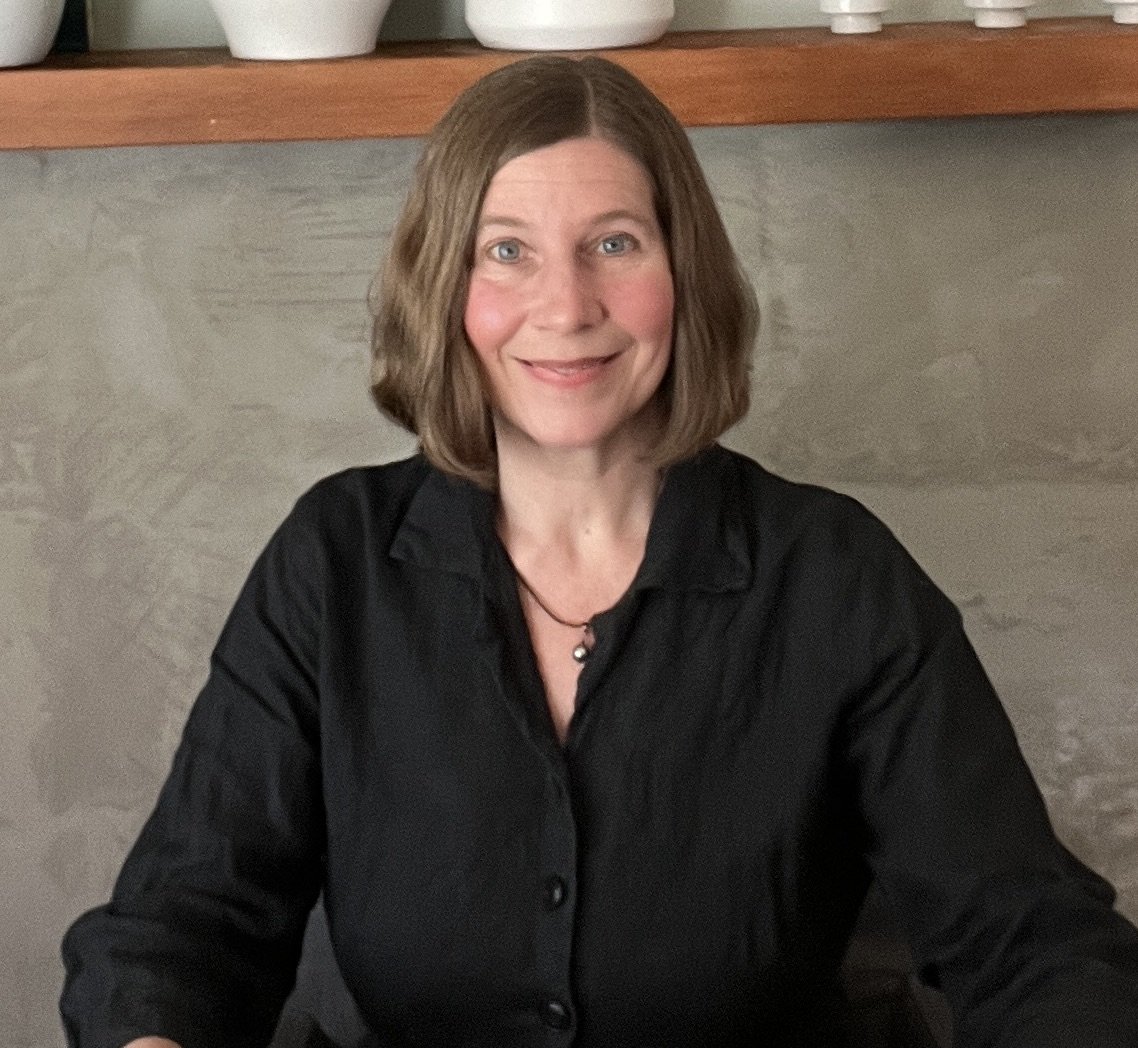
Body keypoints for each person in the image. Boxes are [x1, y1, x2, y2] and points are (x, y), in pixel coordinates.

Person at [61, 55, 1138, 1048]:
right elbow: (180, 929)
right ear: (446, 287)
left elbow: (1034, 940)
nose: (566, 306)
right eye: (508, 251)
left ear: (683, 272)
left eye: (614, 243)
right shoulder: (333, 561)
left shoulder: (834, 574)